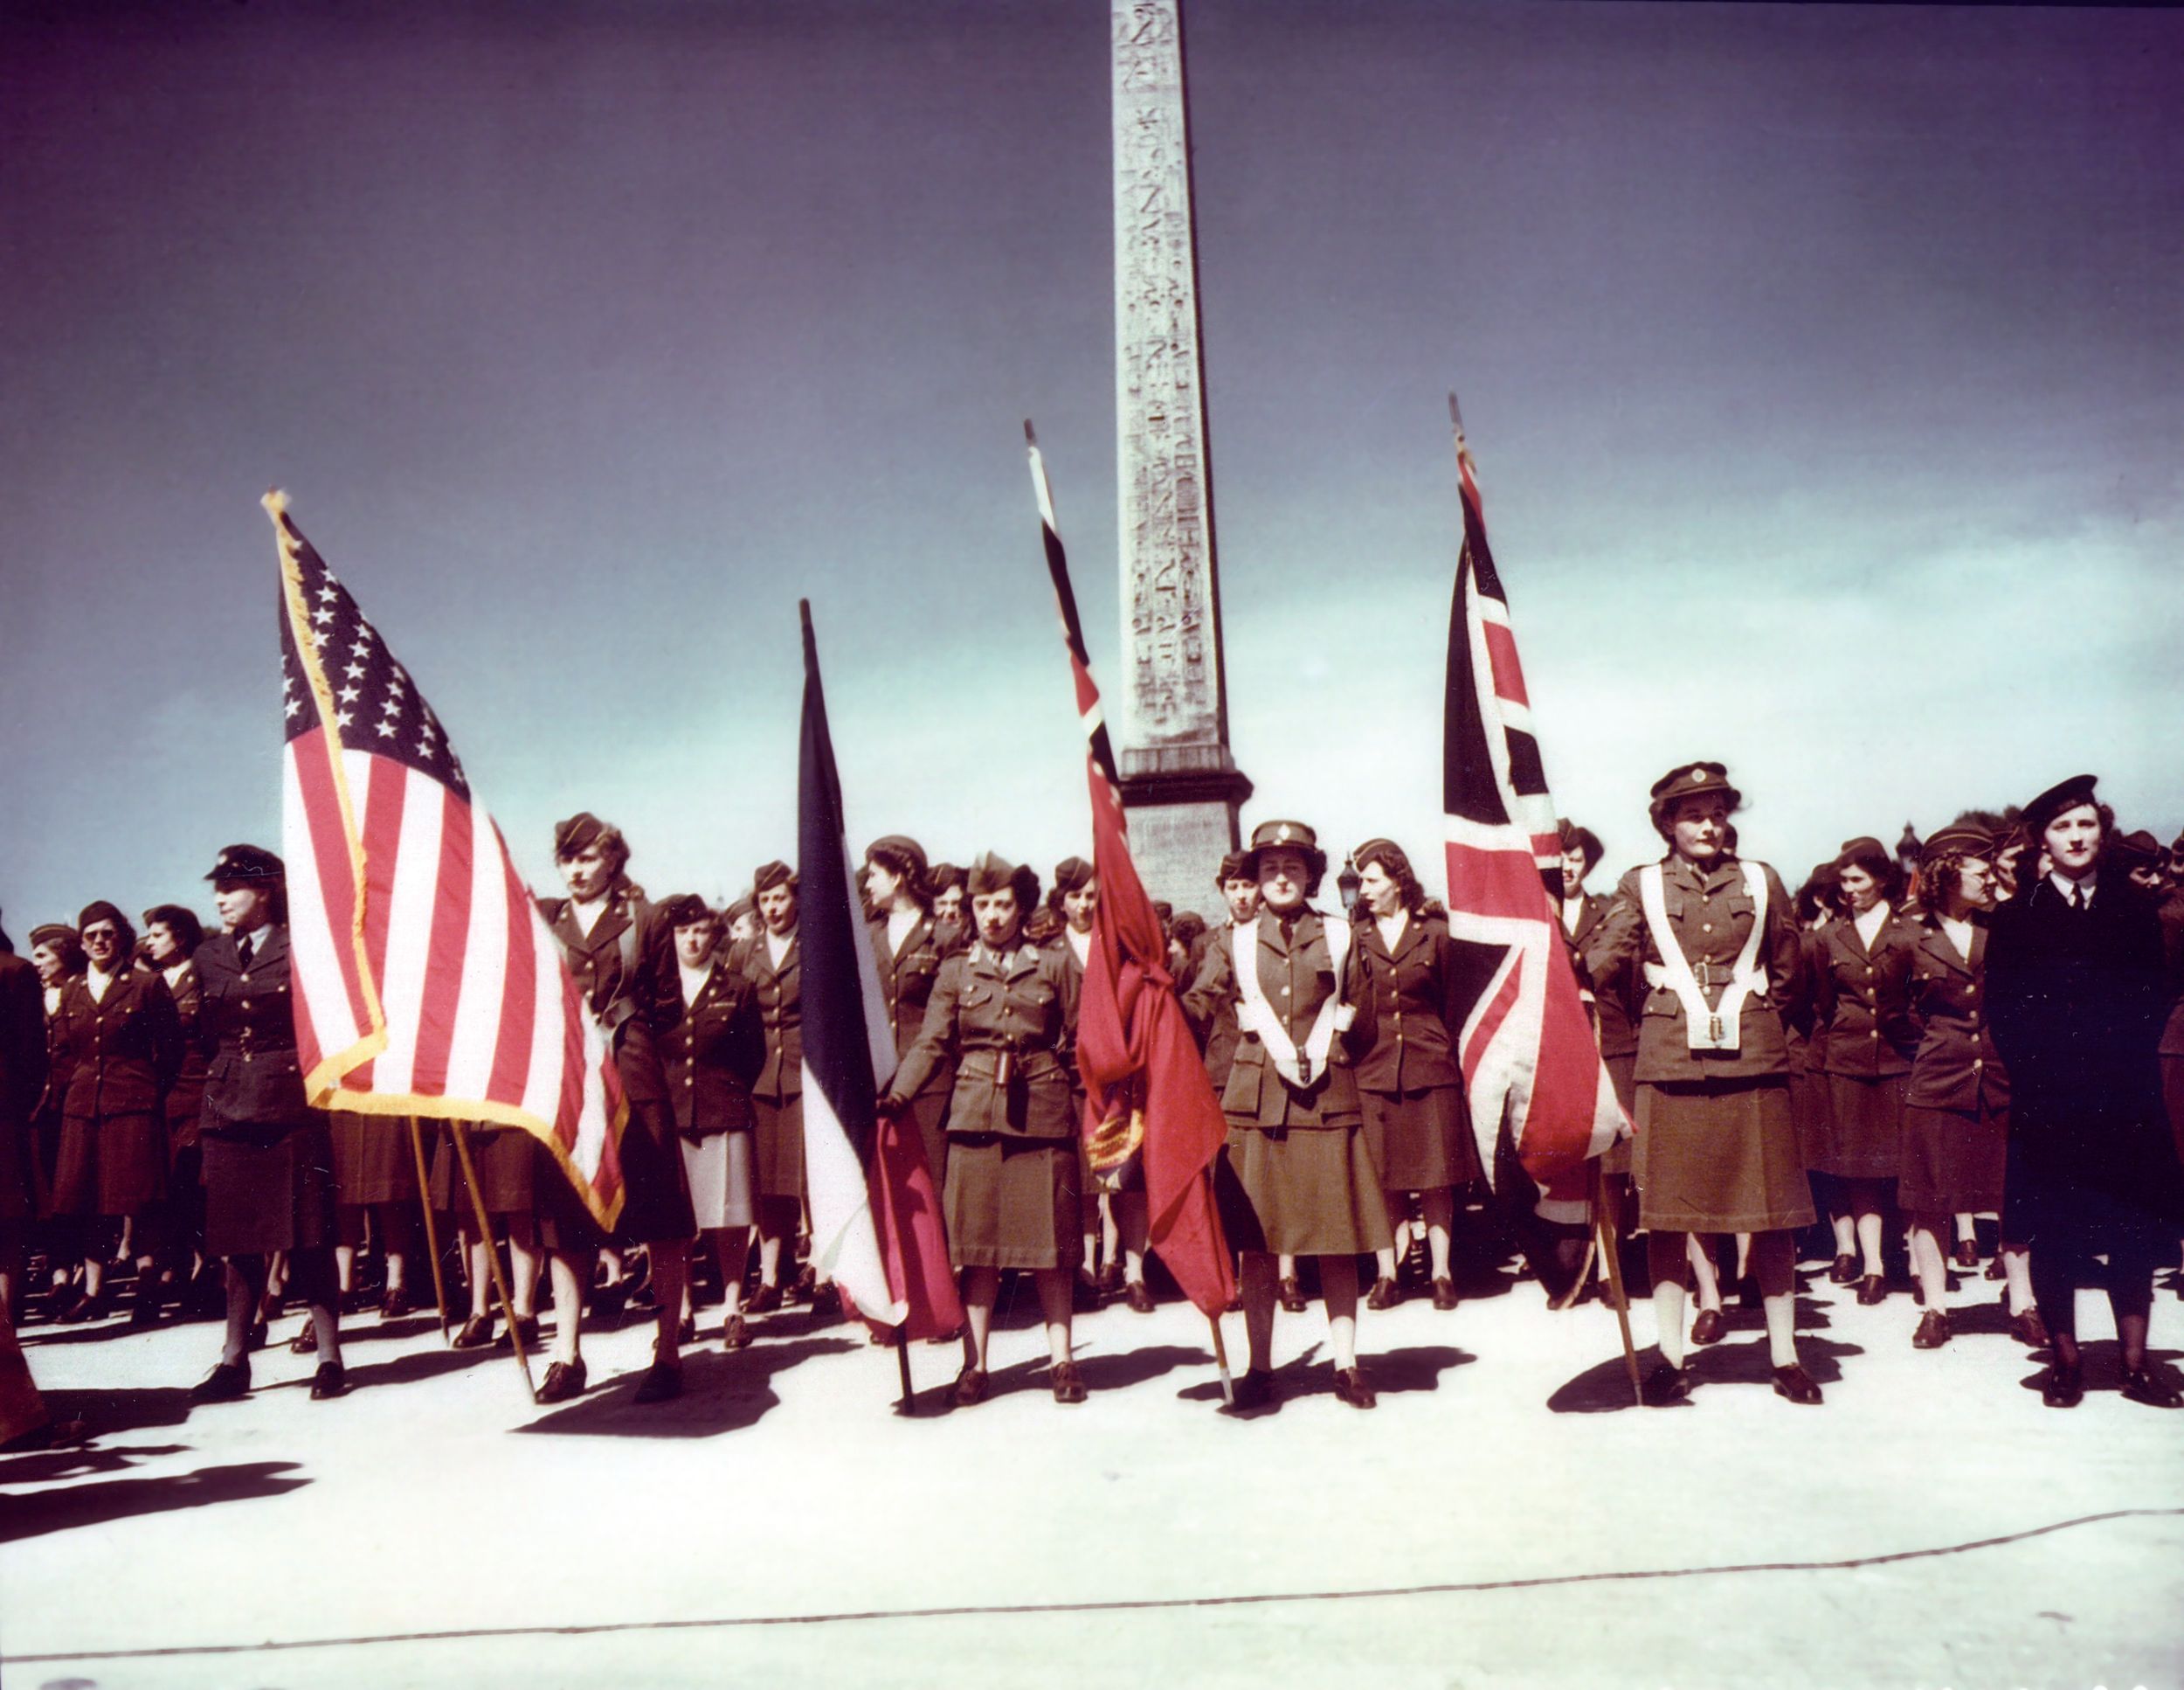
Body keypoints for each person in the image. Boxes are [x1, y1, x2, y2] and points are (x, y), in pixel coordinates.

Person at [1586, 763, 1822, 1406]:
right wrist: (1575, 972)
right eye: (1693, 815)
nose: (1709, 826)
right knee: (1666, 1218)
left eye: (1718, 813)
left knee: (1771, 1216)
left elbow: (1791, 967)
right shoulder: (1640, 886)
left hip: (1753, 1063)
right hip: (1670, 1068)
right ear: (1666, 823)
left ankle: (1784, 1355)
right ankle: (1668, 1355)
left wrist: (1757, 1013)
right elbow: (1607, 957)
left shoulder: (1761, 880)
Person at [1986, 775, 2184, 1408]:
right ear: (2044, 840)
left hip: (2124, 1097)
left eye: (2087, 825)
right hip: (2051, 1102)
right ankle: (2066, 1363)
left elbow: (2153, 995)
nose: (2077, 837)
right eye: (2063, 828)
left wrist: (2117, 1063)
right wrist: (2043, 1075)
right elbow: (2006, 1009)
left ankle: (2134, 1363)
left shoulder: (2133, 911)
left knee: (2130, 1230)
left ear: (2103, 832)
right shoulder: (2019, 916)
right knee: (2054, 1232)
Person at [1184, 820, 1388, 1409]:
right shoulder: (1234, 942)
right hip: (1259, 1108)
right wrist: (1160, 1008)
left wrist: (1333, 1051)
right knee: (1258, 1244)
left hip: (1326, 1103)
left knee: (1337, 1237)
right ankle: (1260, 1366)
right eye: (1269, 868)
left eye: (1292, 868)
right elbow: (1201, 999)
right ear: (1255, 877)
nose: (1279, 878)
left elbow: (1366, 1019)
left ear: (1311, 876)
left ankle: (1346, 1365)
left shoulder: (1341, 934)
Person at [881, 854, 1086, 1406]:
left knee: (1052, 1250)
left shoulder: (1054, 964)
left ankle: (1063, 1362)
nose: (992, 915)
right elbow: (931, 1042)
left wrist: (1087, 1111)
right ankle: (975, 1365)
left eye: (1002, 904)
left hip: (1041, 1118)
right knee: (978, 1252)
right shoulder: (956, 970)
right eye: (982, 904)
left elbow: (1083, 1041)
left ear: (1020, 908)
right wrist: (899, 1093)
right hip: (974, 1119)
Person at [536, 812, 695, 1403]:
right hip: (570, 1088)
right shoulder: (545, 920)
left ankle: (669, 1353)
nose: (577, 870)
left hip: (633, 1079)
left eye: (588, 858)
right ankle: (566, 1354)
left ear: (612, 860)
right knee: (567, 1222)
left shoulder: (645, 919)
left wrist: (620, 1036)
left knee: (660, 1218)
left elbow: (668, 1007)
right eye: (567, 860)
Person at [188, 847, 346, 1402]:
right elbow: (207, 1033)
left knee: (310, 1235)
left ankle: (329, 1357)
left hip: (290, 1105)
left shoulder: (303, 950)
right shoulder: (208, 956)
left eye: (232, 887)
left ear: (266, 891)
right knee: (236, 1242)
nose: (220, 898)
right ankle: (235, 1359)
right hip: (228, 1109)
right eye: (218, 888)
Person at [1899, 825, 2040, 1348]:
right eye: (1980, 869)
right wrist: (1938, 1050)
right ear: (1947, 873)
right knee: (1930, 1198)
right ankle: (1936, 1308)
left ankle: (2023, 1303)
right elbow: (1897, 1015)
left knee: (2013, 1195)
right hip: (1938, 1081)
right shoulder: (1908, 935)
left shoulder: (2001, 927)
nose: (1989, 877)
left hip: (2000, 1077)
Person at [1347, 839, 1479, 1313]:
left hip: (1430, 1066)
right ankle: (1389, 1272)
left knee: (1435, 1176)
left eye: (1371, 880)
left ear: (1397, 882)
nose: (1364, 890)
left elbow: (1453, 1002)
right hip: (1375, 1070)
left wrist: (1442, 1050)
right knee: (1385, 1177)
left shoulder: (1435, 933)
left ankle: (1442, 1272)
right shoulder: (1355, 935)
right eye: (1362, 881)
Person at [49, 902, 179, 1325]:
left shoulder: (146, 984)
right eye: (91, 935)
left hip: (133, 1106)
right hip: (83, 1109)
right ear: (82, 943)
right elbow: (64, 1052)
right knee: (87, 1201)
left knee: (138, 1202)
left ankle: (147, 1288)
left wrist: (144, 1093)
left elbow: (170, 1053)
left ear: (120, 936)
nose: (100, 942)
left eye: (107, 933)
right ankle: (94, 1291)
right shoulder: (72, 990)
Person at [1810, 837, 1920, 1305]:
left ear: (1881, 879)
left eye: (1857, 880)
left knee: (1907, 1167)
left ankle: (1915, 1262)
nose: (1849, 890)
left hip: (1901, 1061)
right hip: (1849, 1064)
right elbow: (1821, 1002)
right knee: (1858, 1170)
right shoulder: (1828, 937)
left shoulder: (1911, 933)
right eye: (1844, 881)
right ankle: (1873, 1265)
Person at [655, 895, 764, 1350]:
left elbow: (753, 1054)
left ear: (713, 934)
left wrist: (726, 1091)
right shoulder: (657, 991)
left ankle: (732, 1306)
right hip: (674, 1117)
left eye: (700, 931)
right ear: (671, 937)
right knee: (678, 1221)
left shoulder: (738, 987)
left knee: (731, 1216)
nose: (692, 940)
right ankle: (680, 1310)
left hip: (724, 1111)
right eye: (683, 932)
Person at [863, 835, 962, 1223]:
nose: (868, 884)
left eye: (874, 875)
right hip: (877, 1081)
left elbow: (944, 1019)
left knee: (932, 1185)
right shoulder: (868, 937)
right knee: (886, 1188)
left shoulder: (944, 936)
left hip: (929, 1085)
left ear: (899, 876)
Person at [728, 860, 805, 1316]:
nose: (773, 907)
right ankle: (771, 1277)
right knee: (770, 1186)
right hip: (761, 1078)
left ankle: (823, 1272)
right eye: (766, 900)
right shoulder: (744, 952)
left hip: (802, 1076)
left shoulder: (812, 945)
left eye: (780, 898)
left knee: (810, 1182)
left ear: (794, 899)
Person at [142, 905, 215, 1315]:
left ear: (181, 938)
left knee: (198, 1186)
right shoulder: (149, 982)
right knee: (172, 1189)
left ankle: (209, 1272)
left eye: (157, 934)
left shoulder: (200, 975)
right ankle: (183, 1270)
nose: (150, 942)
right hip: (161, 1097)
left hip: (197, 1090)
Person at [0, 918, 46, 1326]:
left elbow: (32, 1058)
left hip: (2, 1114)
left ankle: (8, 1316)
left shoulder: (13, 971)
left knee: (6, 1219)